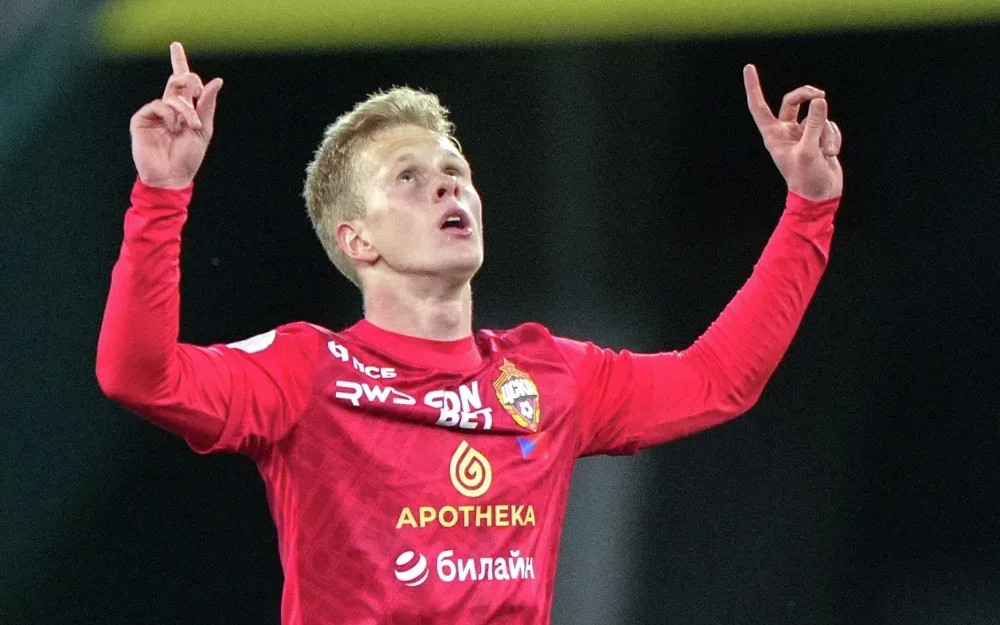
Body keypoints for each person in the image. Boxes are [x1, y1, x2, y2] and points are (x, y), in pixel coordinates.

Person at [96, 42, 843, 625]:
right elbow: (139, 377)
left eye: (455, 169)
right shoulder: (307, 371)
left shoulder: (546, 376)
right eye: (408, 177)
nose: (449, 184)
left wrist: (809, 208)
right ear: (357, 239)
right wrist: (161, 194)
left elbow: (718, 381)